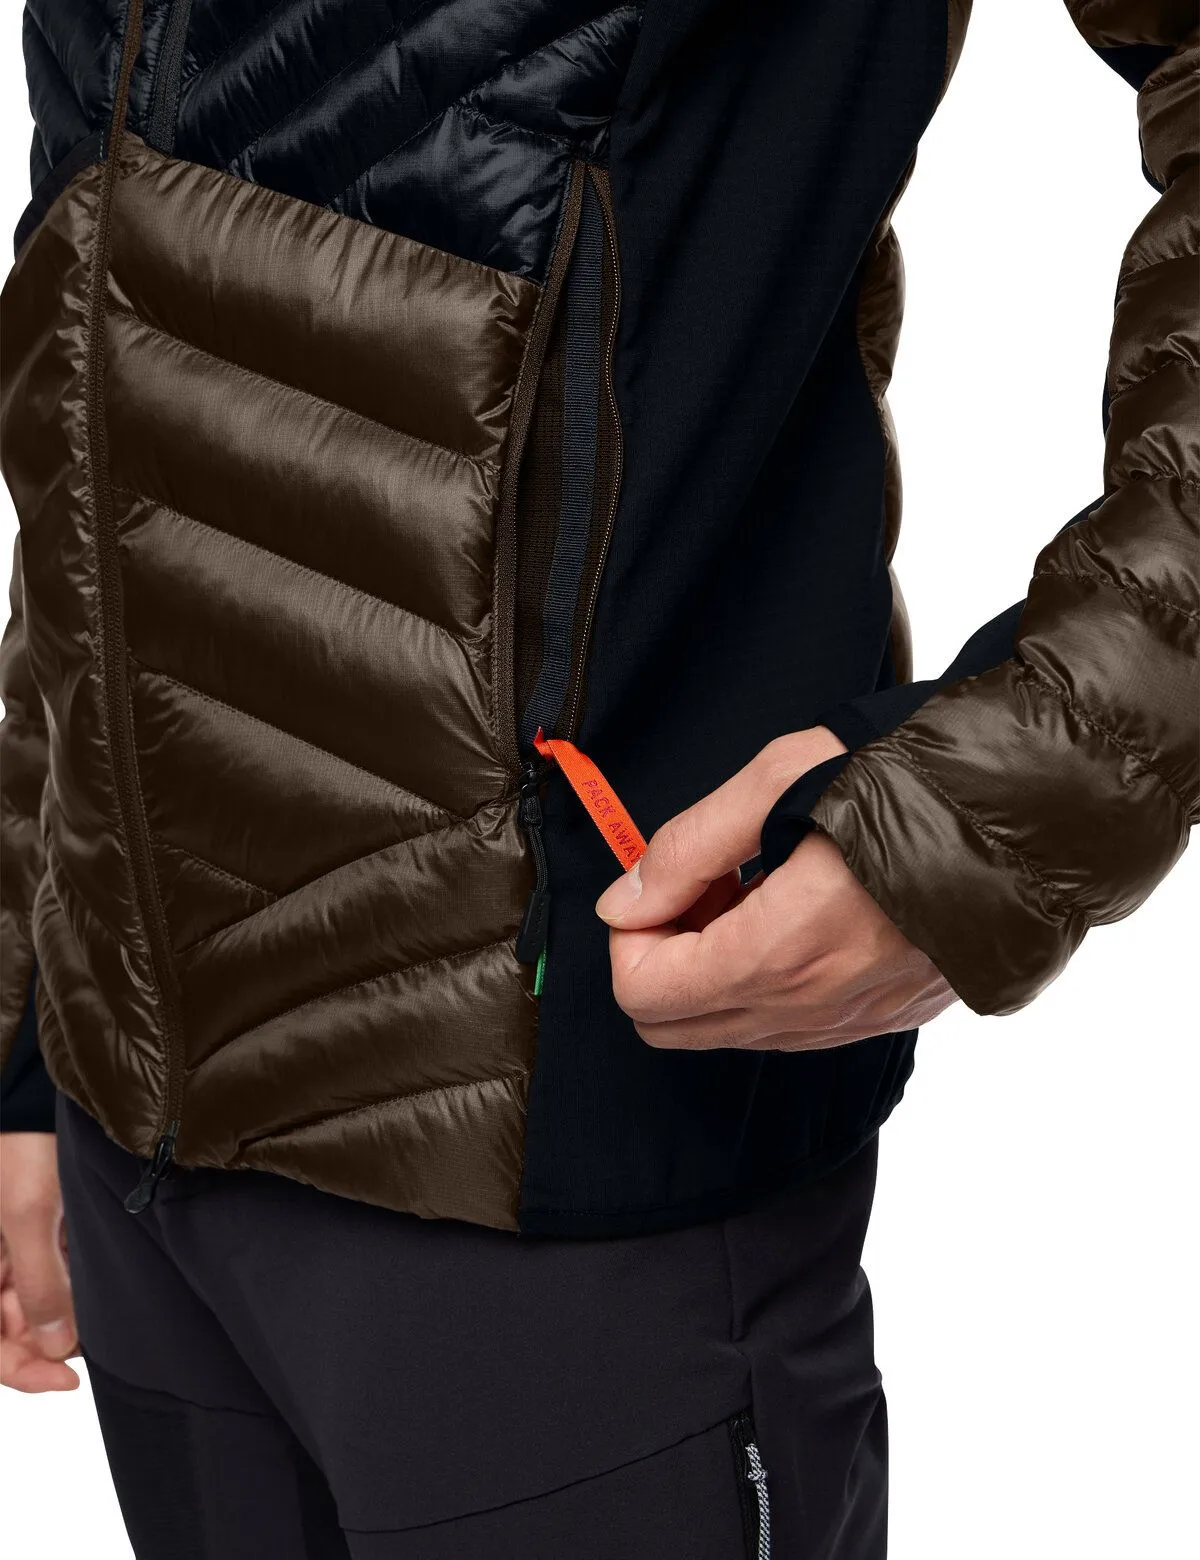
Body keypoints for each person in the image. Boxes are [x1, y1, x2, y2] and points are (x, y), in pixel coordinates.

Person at [1, 0, 1195, 1554]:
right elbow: (103, 311)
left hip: (564, 1132)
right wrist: (31, 1010)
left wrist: (1018, 784)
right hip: (130, 1134)